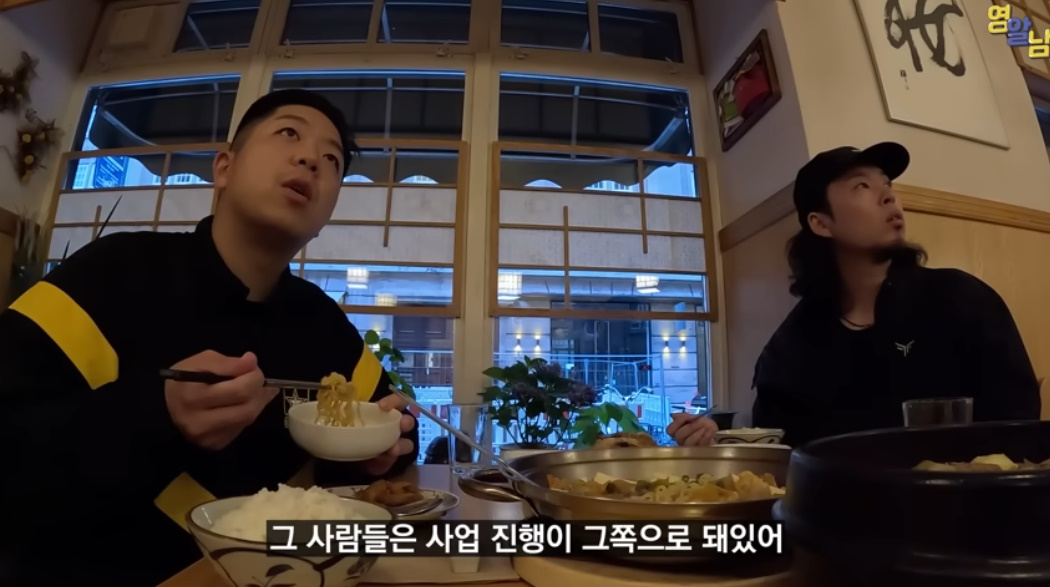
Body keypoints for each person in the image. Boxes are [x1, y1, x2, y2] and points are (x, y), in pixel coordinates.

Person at [0, 90, 419, 587]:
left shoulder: (322, 321)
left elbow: (397, 429)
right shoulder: (113, 273)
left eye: (332, 160)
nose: (311, 159)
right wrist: (156, 414)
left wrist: (376, 452)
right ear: (224, 168)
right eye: (289, 133)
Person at [671, 142, 1041, 448]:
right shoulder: (794, 343)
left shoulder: (960, 298)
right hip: (837, 511)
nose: (889, 196)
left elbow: (1018, 423)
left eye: (888, 185)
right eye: (862, 186)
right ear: (821, 223)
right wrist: (717, 434)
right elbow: (780, 439)